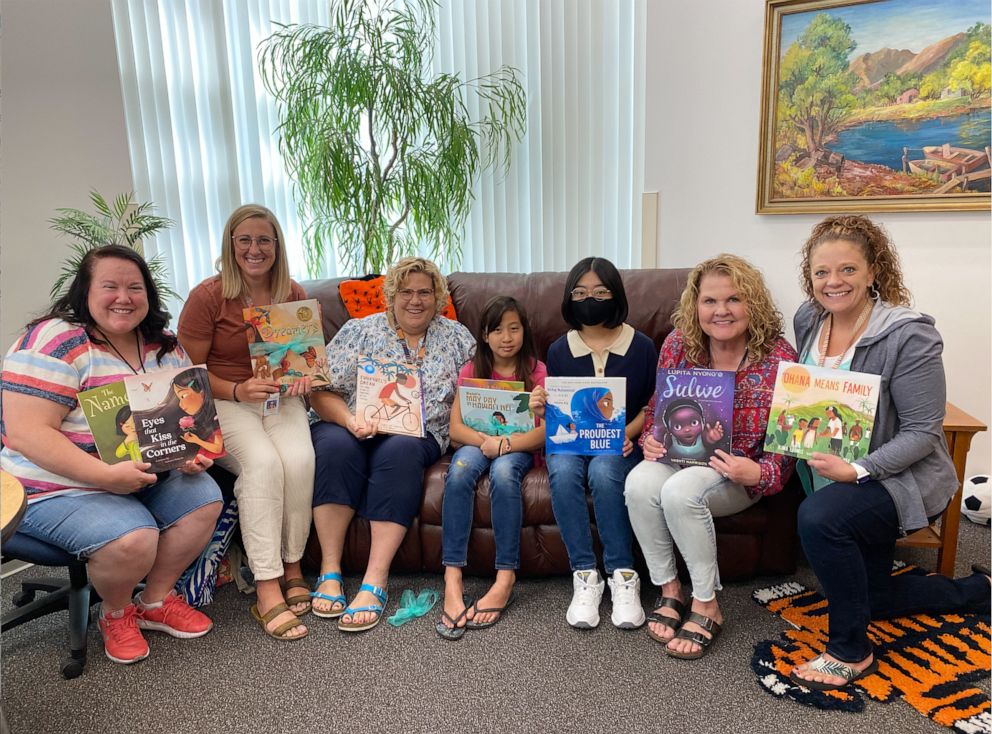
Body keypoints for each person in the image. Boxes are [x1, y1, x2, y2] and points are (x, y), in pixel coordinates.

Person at [789, 215, 990, 691]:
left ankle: (850, 652)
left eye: (847, 270)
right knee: (872, 596)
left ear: (874, 270)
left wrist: (857, 469)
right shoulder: (807, 318)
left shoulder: (909, 335)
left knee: (820, 519)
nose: (833, 282)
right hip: (829, 471)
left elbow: (923, 432)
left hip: (896, 479)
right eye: (821, 272)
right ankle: (979, 591)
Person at [1, 245, 222, 664]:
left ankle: (155, 602)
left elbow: (178, 422)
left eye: (135, 288)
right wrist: (106, 477)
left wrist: (188, 454)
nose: (124, 297)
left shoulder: (163, 346)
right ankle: (116, 613)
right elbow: (27, 433)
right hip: (51, 485)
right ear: (85, 291)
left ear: (148, 295)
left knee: (205, 499)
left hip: (139, 474)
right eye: (110, 286)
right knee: (133, 538)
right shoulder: (55, 340)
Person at [624, 254, 797, 659]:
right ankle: (669, 590)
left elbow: (790, 437)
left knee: (680, 491)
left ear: (752, 303)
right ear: (695, 305)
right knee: (638, 482)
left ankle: (706, 604)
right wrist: (651, 438)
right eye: (710, 301)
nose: (721, 311)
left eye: (734, 299)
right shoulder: (677, 345)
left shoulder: (779, 356)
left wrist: (760, 471)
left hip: (738, 471)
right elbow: (656, 410)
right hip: (681, 457)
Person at [310, 257, 474, 632]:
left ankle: (374, 580)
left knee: (400, 451)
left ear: (437, 298)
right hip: (352, 425)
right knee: (335, 446)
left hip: (417, 436)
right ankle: (330, 570)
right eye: (406, 292)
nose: (415, 301)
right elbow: (319, 392)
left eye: (424, 292)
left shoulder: (458, 337)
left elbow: (480, 390)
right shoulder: (359, 330)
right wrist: (350, 420)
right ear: (391, 295)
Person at [178, 204, 315, 641]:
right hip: (225, 400)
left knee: (298, 461)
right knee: (262, 465)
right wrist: (237, 390)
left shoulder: (290, 292)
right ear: (230, 245)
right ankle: (267, 584)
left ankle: (293, 562)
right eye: (245, 240)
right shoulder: (208, 296)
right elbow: (188, 373)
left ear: (276, 246)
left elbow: (302, 359)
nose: (255, 249)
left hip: (277, 400)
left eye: (264, 241)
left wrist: (298, 378)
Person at [529, 257, 658, 629]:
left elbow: (652, 405)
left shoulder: (642, 346)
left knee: (603, 471)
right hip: (571, 442)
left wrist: (628, 435)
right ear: (569, 299)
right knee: (565, 470)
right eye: (581, 292)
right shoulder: (558, 349)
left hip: (620, 444)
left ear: (616, 295)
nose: (591, 299)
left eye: (601, 292)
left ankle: (623, 574)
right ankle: (585, 574)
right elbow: (559, 410)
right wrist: (542, 406)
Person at [437, 296, 547, 639]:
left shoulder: (537, 371)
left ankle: (505, 577)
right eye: (497, 329)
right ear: (484, 335)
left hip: (516, 446)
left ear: (524, 331)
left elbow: (546, 431)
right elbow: (455, 430)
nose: (506, 337)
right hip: (477, 442)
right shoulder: (471, 370)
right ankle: (452, 578)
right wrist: (485, 441)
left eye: (514, 328)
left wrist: (506, 443)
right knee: (457, 473)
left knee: (502, 474)